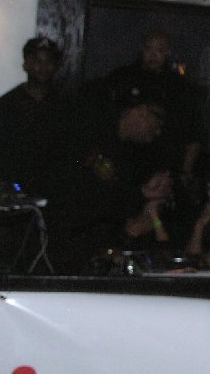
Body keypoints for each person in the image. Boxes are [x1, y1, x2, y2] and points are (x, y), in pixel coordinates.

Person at [49, 85, 169, 275]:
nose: (158, 131)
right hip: (72, 240)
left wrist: (143, 193)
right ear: (142, 112)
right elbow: (81, 192)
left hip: (104, 240)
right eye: (157, 121)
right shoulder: (90, 134)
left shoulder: (132, 152)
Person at [101, 29, 205, 192]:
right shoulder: (123, 78)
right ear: (142, 49)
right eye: (149, 49)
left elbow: (193, 132)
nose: (153, 55)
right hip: (125, 161)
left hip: (164, 164)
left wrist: (185, 171)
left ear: (168, 52)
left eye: (159, 50)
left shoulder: (179, 87)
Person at [0, 36, 71, 201]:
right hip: (12, 197)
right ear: (25, 65)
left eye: (48, 61)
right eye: (37, 61)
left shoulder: (66, 106)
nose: (43, 67)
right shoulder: (6, 106)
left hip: (54, 197)